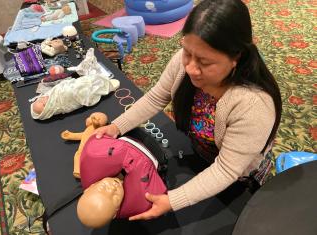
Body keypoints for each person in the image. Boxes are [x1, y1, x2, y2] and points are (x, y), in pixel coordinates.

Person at [94, 0, 282, 220]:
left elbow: (227, 170)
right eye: (187, 52)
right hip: (201, 154)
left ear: (236, 57)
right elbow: (156, 97)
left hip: (240, 175)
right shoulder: (183, 63)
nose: (191, 68)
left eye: (204, 61)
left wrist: (172, 201)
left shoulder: (254, 105)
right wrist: (117, 126)